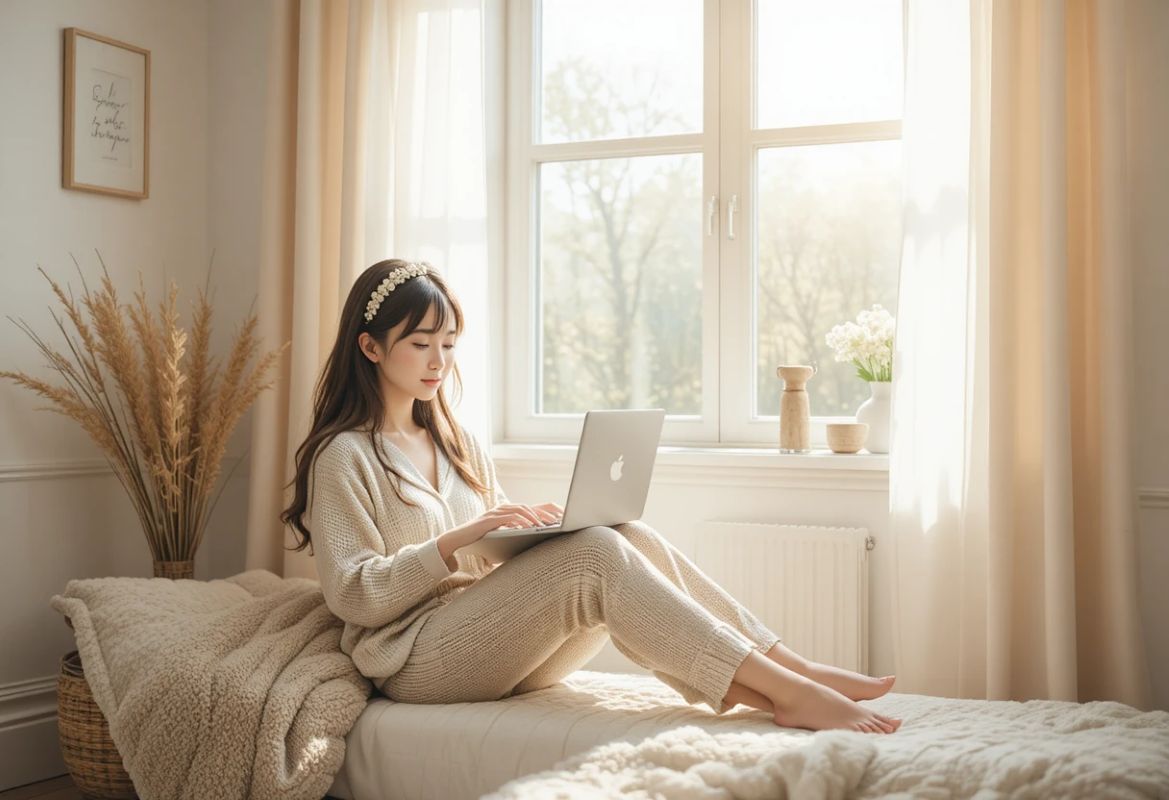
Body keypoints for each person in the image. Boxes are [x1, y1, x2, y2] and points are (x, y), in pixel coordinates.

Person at [281, 258, 902, 734]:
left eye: (448, 343)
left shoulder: (459, 441)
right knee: (594, 557)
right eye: (420, 343)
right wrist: (454, 542)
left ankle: (788, 669)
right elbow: (354, 595)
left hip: (497, 645)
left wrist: (530, 532)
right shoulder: (345, 456)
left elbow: (488, 559)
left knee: (618, 535)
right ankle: (787, 691)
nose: (438, 360)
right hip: (416, 661)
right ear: (371, 347)